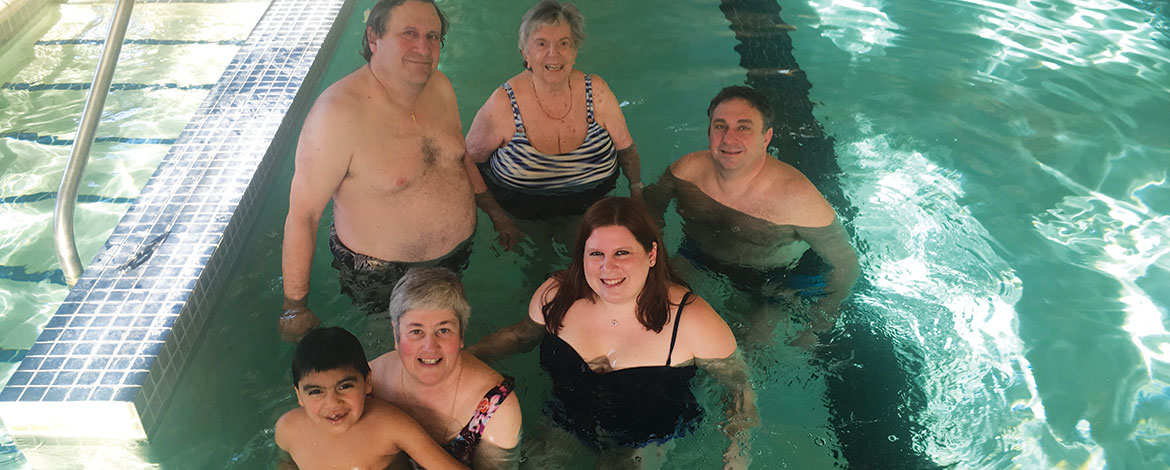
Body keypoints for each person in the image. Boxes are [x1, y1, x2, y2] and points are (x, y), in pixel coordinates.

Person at [278, 0, 520, 343]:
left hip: (454, 259)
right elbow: (303, 215)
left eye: (432, 36)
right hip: (382, 277)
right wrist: (294, 307)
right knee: (394, 364)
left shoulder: (440, 86)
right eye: (409, 34)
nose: (423, 48)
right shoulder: (337, 115)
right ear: (373, 38)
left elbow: (459, 157)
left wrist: (496, 213)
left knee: (447, 349)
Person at [468, 198, 758, 470]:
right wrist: (463, 357)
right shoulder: (556, 296)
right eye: (596, 253)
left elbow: (739, 385)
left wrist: (738, 451)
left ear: (652, 254)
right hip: (567, 416)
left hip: (649, 437)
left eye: (622, 252)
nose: (608, 267)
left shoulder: (691, 320)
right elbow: (519, 337)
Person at [646, 85, 859, 345]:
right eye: (720, 126)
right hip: (699, 255)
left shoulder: (798, 199)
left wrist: (820, 322)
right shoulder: (686, 171)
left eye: (743, 127)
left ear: (766, 137)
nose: (728, 138)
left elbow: (846, 264)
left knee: (752, 351)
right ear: (709, 131)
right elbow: (648, 210)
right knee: (651, 311)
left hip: (773, 280)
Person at [465, 0, 642, 225]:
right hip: (522, 212)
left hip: (592, 209)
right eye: (541, 44)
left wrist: (637, 194)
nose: (554, 54)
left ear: (575, 51)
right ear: (525, 54)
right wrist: (498, 216)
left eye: (564, 43)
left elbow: (626, 149)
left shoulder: (597, 92)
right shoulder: (503, 104)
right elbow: (467, 161)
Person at [369, 268, 522, 470]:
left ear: (461, 335)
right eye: (416, 331)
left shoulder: (498, 409)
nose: (430, 347)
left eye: (443, 330)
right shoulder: (369, 384)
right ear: (396, 334)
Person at [275, 327, 468, 470]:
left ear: (368, 382)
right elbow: (286, 463)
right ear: (299, 395)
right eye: (316, 392)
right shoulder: (287, 430)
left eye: (345, 386)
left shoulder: (390, 425)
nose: (332, 403)